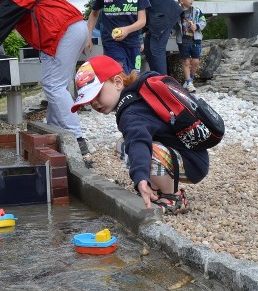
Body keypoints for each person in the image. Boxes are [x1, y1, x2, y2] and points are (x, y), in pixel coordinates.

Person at [70, 55, 209, 214]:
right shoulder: (139, 92)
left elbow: (139, 142)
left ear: (117, 82)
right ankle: (156, 189)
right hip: (192, 155)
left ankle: (173, 197)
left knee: (138, 148)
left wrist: (140, 179)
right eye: (88, 100)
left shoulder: (131, 112)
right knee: (124, 144)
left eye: (97, 95)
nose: (93, 103)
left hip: (192, 163)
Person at [0, 0, 91, 154]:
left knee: (53, 85)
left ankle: (77, 138)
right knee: (56, 85)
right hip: (71, 27)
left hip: (63, 31)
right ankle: (56, 129)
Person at [131, 0, 182, 75]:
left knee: (156, 49)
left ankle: (163, 82)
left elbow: (137, 13)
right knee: (149, 49)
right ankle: (155, 78)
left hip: (164, 16)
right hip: (158, 15)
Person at [176, 0, 206, 92]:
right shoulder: (177, 12)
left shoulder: (197, 11)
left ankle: (191, 79)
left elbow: (203, 22)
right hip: (183, 41)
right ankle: (188, 82)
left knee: (196, 61)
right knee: (186, 61)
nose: (192, 0)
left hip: (195, 39)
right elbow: (173, 25)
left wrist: (197, 26)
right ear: (182, 0)